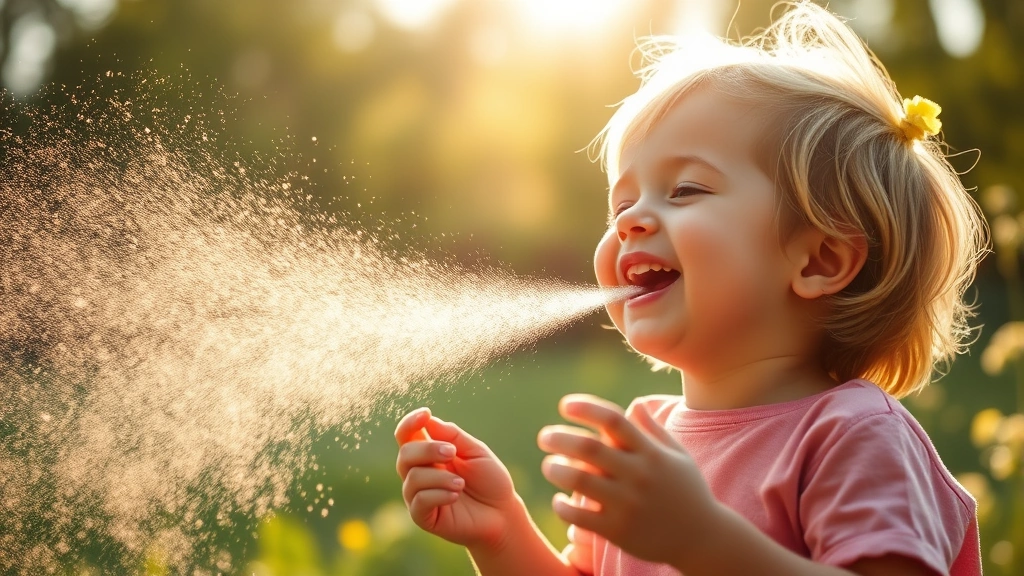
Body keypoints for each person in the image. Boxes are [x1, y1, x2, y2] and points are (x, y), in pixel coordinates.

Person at [394, 2, 987, 574]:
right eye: (621, 205)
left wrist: (700, 540)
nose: (630, 221)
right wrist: (502, 533)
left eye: (685, 190)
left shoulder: (853, 435)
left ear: (819, 260)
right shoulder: (641, 445)